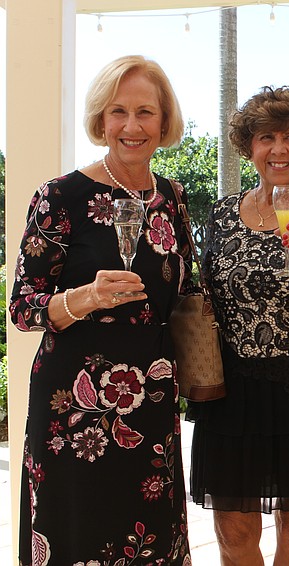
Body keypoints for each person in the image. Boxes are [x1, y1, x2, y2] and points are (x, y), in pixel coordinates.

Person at [9, 55, 192, 564]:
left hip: (151, 404)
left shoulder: (173, 199)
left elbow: (185, 295)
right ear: (100, 119)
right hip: (74, 411)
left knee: (148, 539)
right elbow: (23, 309)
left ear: (164, 121)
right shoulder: (59, 197)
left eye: (145, 113)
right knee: (78, 535)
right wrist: (85, 297)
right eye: (118, 112)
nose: (132, 126)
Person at [188, 86, 289, 566]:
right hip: (232, 391)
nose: (279, 149)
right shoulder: (220, 214)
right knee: (233, 531)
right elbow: (207, 301)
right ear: (248, 146)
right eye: (266, 138)